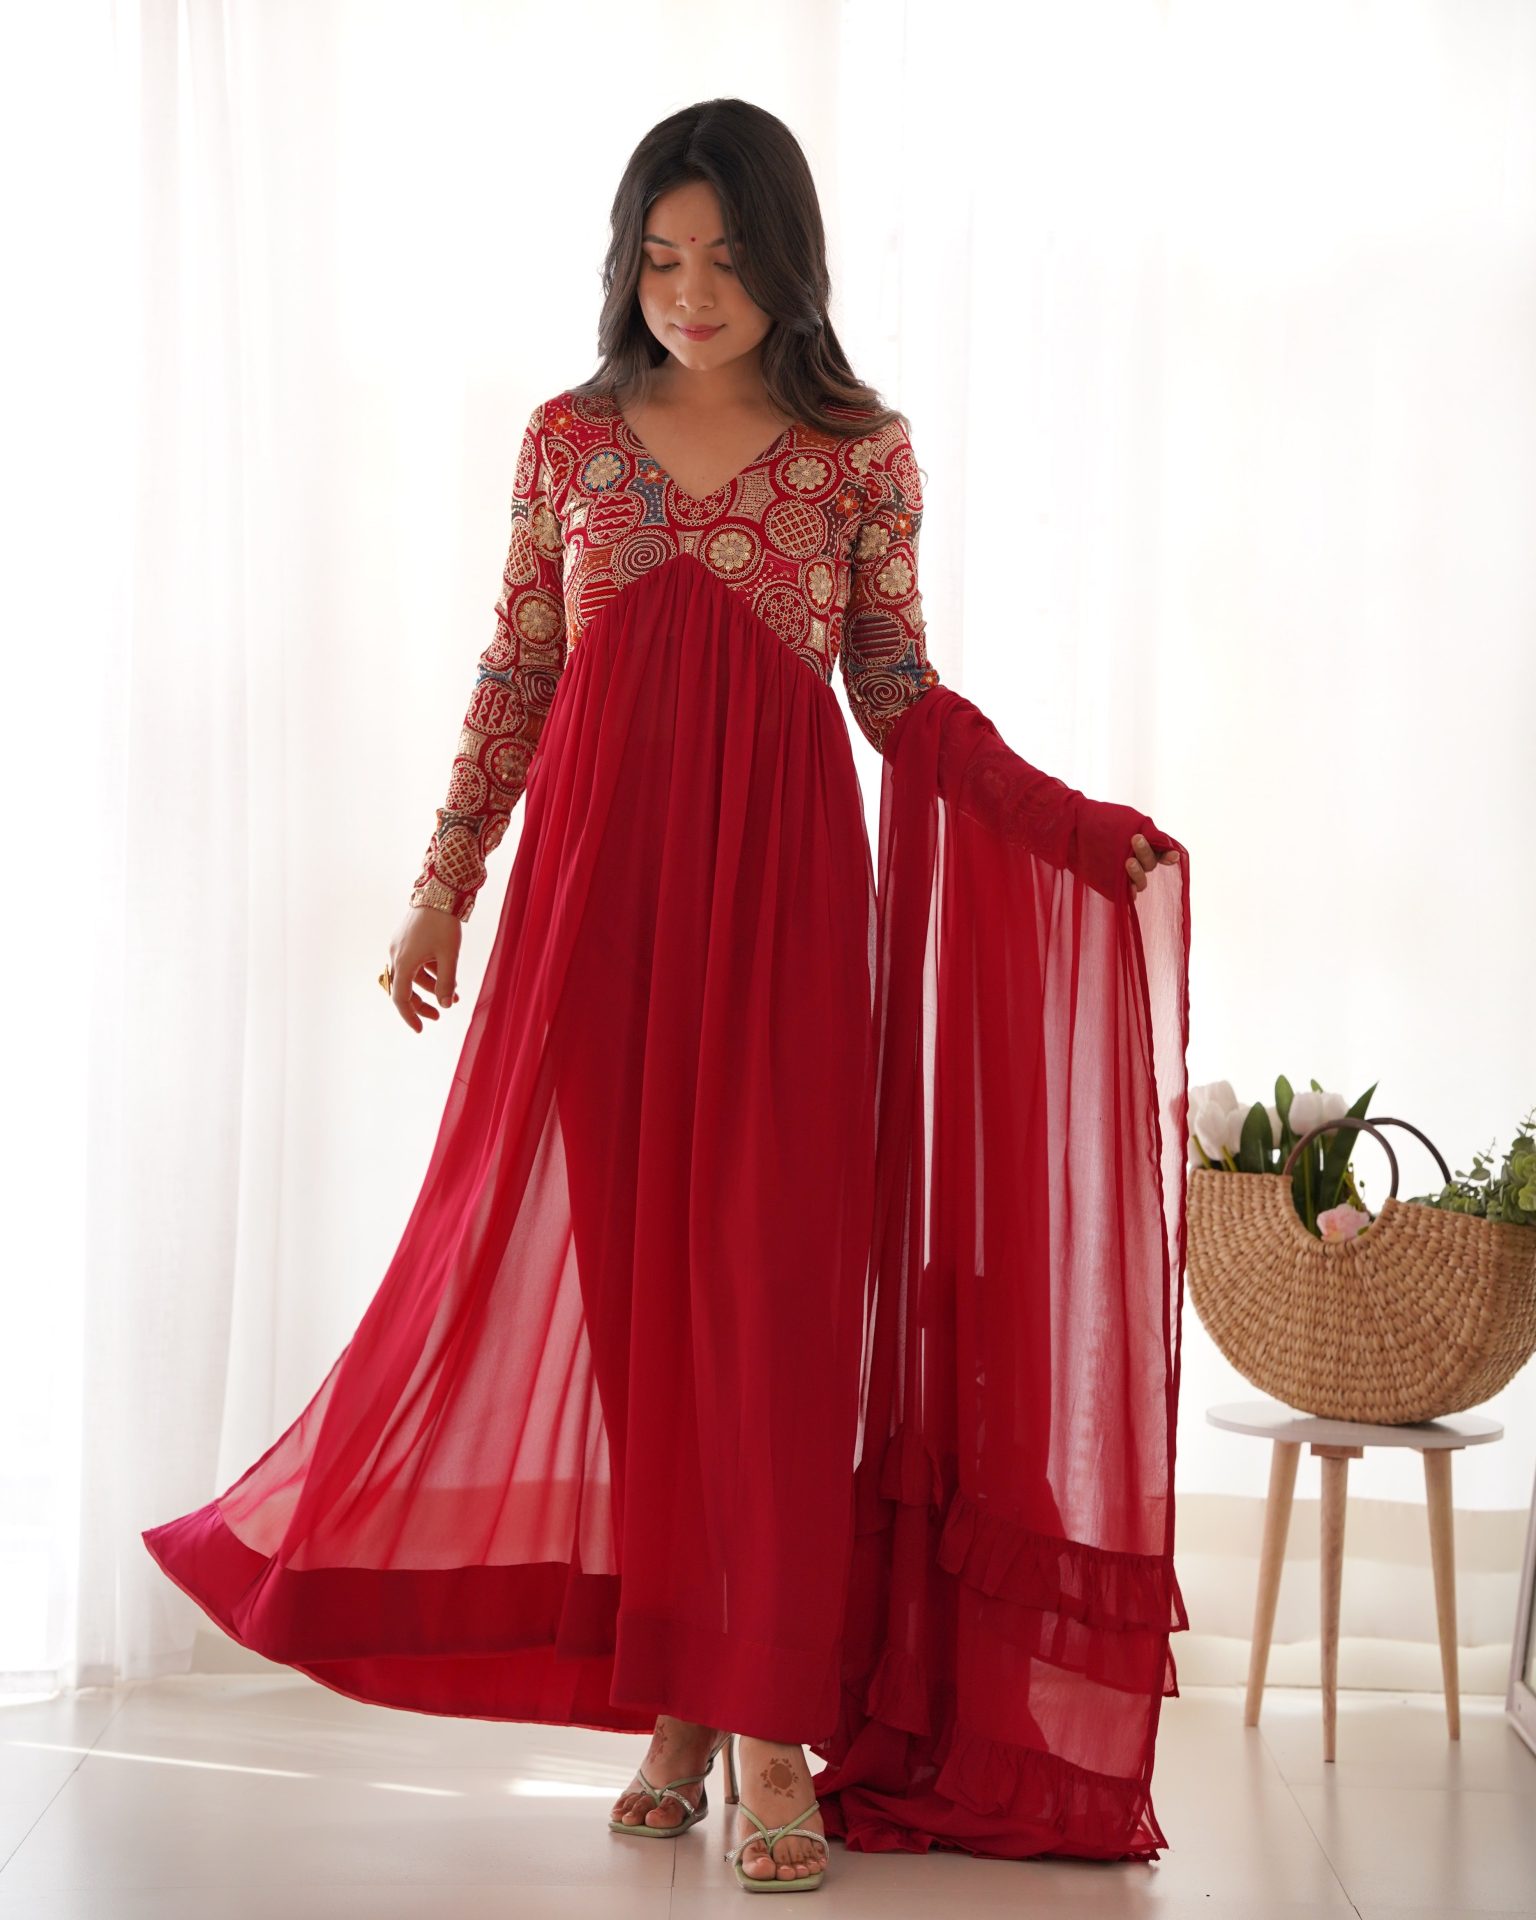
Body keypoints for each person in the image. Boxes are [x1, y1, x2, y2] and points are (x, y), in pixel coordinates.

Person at [142, 98, 1191, 1895]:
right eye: (659, 259)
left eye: (725, 258)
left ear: (791, 264)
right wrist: (442, 887)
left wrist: (1061, 822)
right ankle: (686, 1703)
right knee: (646, 1324)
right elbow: (518, 674)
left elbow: (896, 691)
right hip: (600, 921)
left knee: (770, 1320)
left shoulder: (859, 455)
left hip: (787, 924)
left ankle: (767, 1721)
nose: (691, 293)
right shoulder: (567, 440)